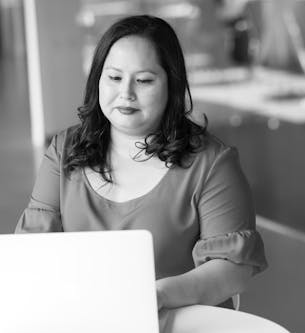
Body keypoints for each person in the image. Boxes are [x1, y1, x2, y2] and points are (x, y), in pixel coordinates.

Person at [16, 14, 267, 311]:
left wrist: (156, 297)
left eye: (144, 80)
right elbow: (30, 250)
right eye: (114, 77)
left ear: (172, 85)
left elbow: (232, 271)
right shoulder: (64, 150)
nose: (126, 93)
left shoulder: (212, 163)